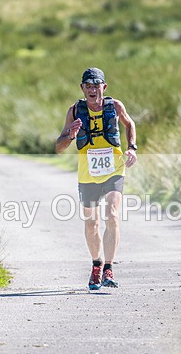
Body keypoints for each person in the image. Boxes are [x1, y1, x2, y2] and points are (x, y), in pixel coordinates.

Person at [55, 68, 138, 290]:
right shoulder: (74, 111)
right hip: (87, 174)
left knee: (112, 215)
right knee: (92, 222)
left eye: (96, 85)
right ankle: (96, 265)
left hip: (114, 170)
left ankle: (109, 268)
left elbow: (129, 124)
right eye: (88, 86)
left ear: (104, 87)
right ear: (82, 88)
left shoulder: (115, 106)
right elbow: (59, 147)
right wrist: (71, 135)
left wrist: (131, 148)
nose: (92, 90)